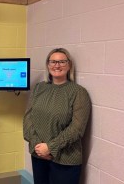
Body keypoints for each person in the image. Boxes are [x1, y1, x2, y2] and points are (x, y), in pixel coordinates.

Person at [23, 48, 91, 184]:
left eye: (62, 62)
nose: (57, 65)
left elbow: (77, 128)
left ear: (69, 65)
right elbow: (28, 118)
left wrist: (50, 147)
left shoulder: (78, 92)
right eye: (53, 61)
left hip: (65, 160)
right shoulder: (38, 88)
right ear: (48, 65)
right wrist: (38, 146)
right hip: (38, 155)